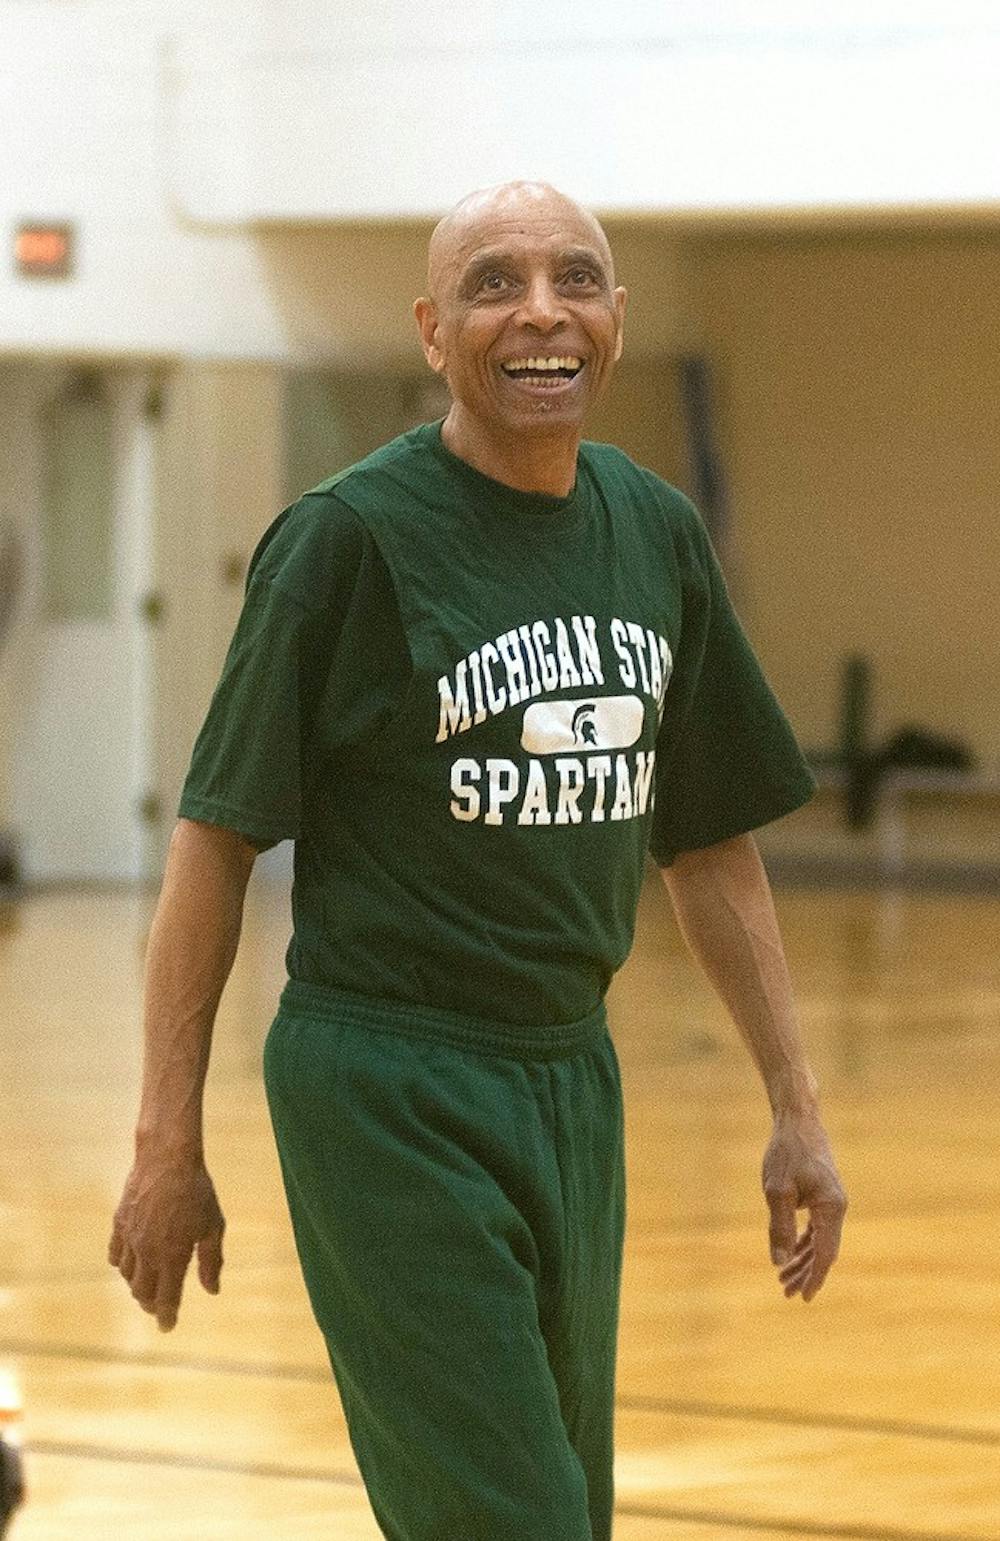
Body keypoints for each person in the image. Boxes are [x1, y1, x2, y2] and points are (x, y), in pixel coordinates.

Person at [109, 181, 847, 1541]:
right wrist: (167, 1141)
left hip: (572, 1070)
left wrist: (794, 1102)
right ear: (433, 332)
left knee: (565, 1506)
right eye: (494, 283)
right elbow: (215, 845)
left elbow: (711, 844)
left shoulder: (655, 532)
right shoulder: (345, 543)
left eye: (575, 278)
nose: (541, 310)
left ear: (618, 320)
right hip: (385, 1077)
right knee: (511, 1520)